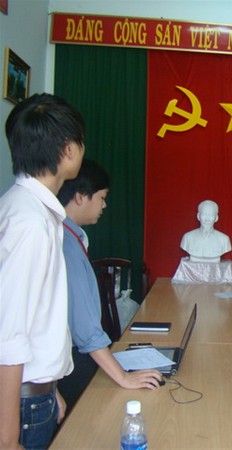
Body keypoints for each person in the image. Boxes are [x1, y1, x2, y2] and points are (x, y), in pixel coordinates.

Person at [0, 93, 85, 450]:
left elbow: (39, 318)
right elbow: (8, 336)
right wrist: (8, 439)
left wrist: (49, 390)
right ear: (68, 149)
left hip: (34, 395)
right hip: (20, 408)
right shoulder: (30, 222)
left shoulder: (29, 208)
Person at [56, 159, 162, 413]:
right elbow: (85, 328)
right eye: (101, 198)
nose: (104, 205)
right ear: (80, 197)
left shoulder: (70, 236)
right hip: (73, 361)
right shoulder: (66, 244)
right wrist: (123, 376)